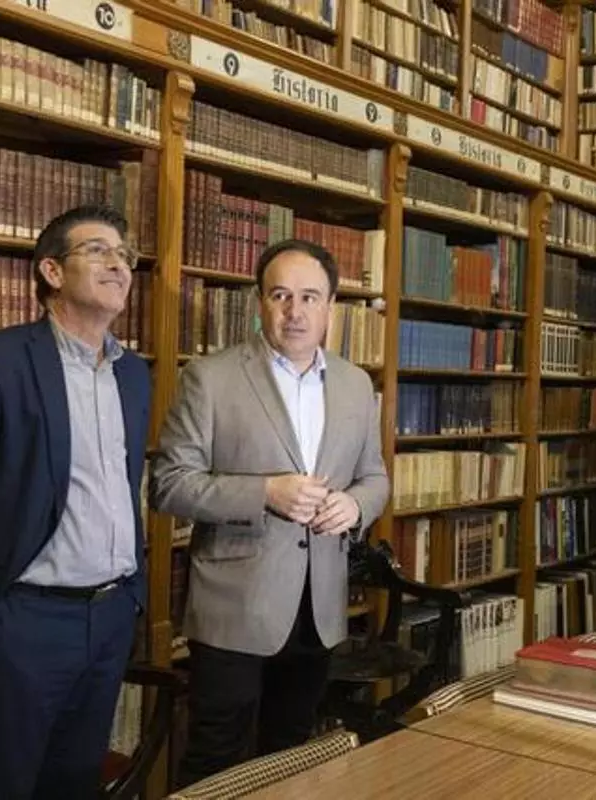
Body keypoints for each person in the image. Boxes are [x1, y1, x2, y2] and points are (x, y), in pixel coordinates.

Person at [0, 204, 151, 800]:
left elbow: (124, 490)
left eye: (125, 255)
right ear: (51, 271)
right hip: (23, 622)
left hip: (109, 616)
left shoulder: (133, 375)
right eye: (98, 251)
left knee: (73, 786)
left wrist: (132, 598)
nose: (118, 264)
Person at [151, 238, 390, 786]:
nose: (294, 311)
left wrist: (355, 505)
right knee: (215, 761)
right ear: (260, 302)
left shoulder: (356, 384)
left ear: (331, 306)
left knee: (290, 757)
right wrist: (264, 494)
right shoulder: (210, 378)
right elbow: (168, 485)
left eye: (309, 297)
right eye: (280, 295)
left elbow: (375, 477)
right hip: (234, 607)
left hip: (318, 609)